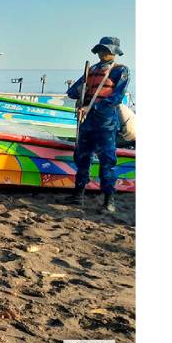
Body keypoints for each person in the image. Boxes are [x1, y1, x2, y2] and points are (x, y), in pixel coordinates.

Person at [65, 36, 130, 213]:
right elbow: (72, 92)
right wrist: (82, 90)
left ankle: (109, 200)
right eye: (101, 49)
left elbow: (116, 97)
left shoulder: (120, 70)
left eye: (106, 50)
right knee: (82, 157)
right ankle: (78, 195)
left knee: (107, 160)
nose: (102, 53)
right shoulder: (91, 70)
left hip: (105, 123)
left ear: (114, 52)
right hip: (87, 122)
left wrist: (92, 106)